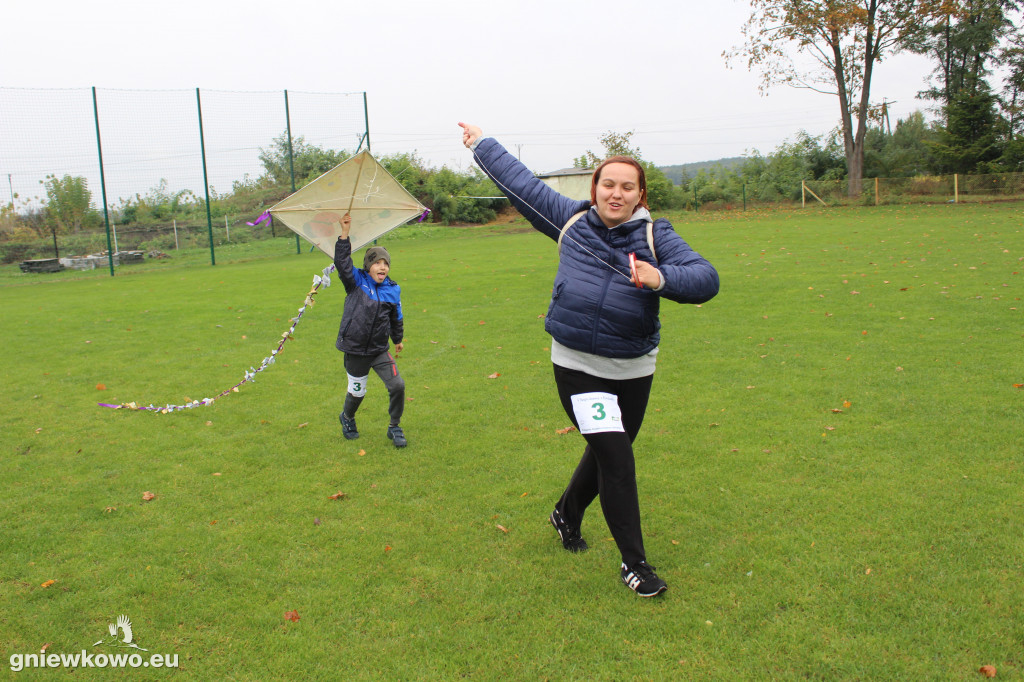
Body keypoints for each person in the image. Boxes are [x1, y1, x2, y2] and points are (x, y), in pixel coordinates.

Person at [459, 122, 719, 597]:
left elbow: (705, 277)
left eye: (626, 187)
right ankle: (635, 565)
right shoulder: (570, 220)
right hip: (577, 367)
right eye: (607, 184)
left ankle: (565, 513)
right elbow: (522, 184)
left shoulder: (658, 236)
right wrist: (482, 145)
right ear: (594, 187)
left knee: (604, 455)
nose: (615, 194)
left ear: (640, 195)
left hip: (633, 369)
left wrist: (660, 280)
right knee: (617, 458)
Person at [330, 212, 408, 448]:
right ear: (368, 266)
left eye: (385, 263)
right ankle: (347, 417)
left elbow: (396, 317)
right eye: (377, 262)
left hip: (378, 350)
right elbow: (342, 264)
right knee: (357, 393)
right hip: (355, 350)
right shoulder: (356, 282)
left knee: (398, 385)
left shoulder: (393, 290)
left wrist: (398, 339)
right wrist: (344, 234)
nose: (382, 266)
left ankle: (394, 426)